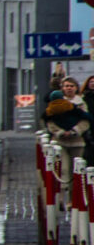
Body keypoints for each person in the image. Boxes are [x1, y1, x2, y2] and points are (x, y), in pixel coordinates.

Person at [45, 78, 91, 207]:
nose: (69, 88)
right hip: (60, 142)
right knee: (63, 170)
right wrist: (59, 132)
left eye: (71, 86)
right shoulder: (56, 103)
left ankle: (72, 199)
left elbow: (85, 121)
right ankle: (60, 198)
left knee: (75, 172)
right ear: (62, 88)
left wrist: (75, 130)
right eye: (66, 86)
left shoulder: (81, 103)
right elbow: (50, 121)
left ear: (76, 88)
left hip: (77, 142)